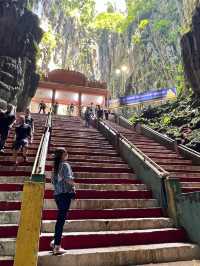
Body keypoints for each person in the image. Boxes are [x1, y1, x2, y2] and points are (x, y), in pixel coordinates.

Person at [50, 148, 75, 255]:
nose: (67, 154)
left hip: (57, 195)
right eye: (66, 153)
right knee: (61, 220)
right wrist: (74, 185)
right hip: (65, 195)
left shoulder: (54, 167)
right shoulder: (65, 165)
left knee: (61, 219)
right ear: (63, 155)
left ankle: (55, 241)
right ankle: (57, 246)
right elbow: (68, 179)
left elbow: (52, 181)